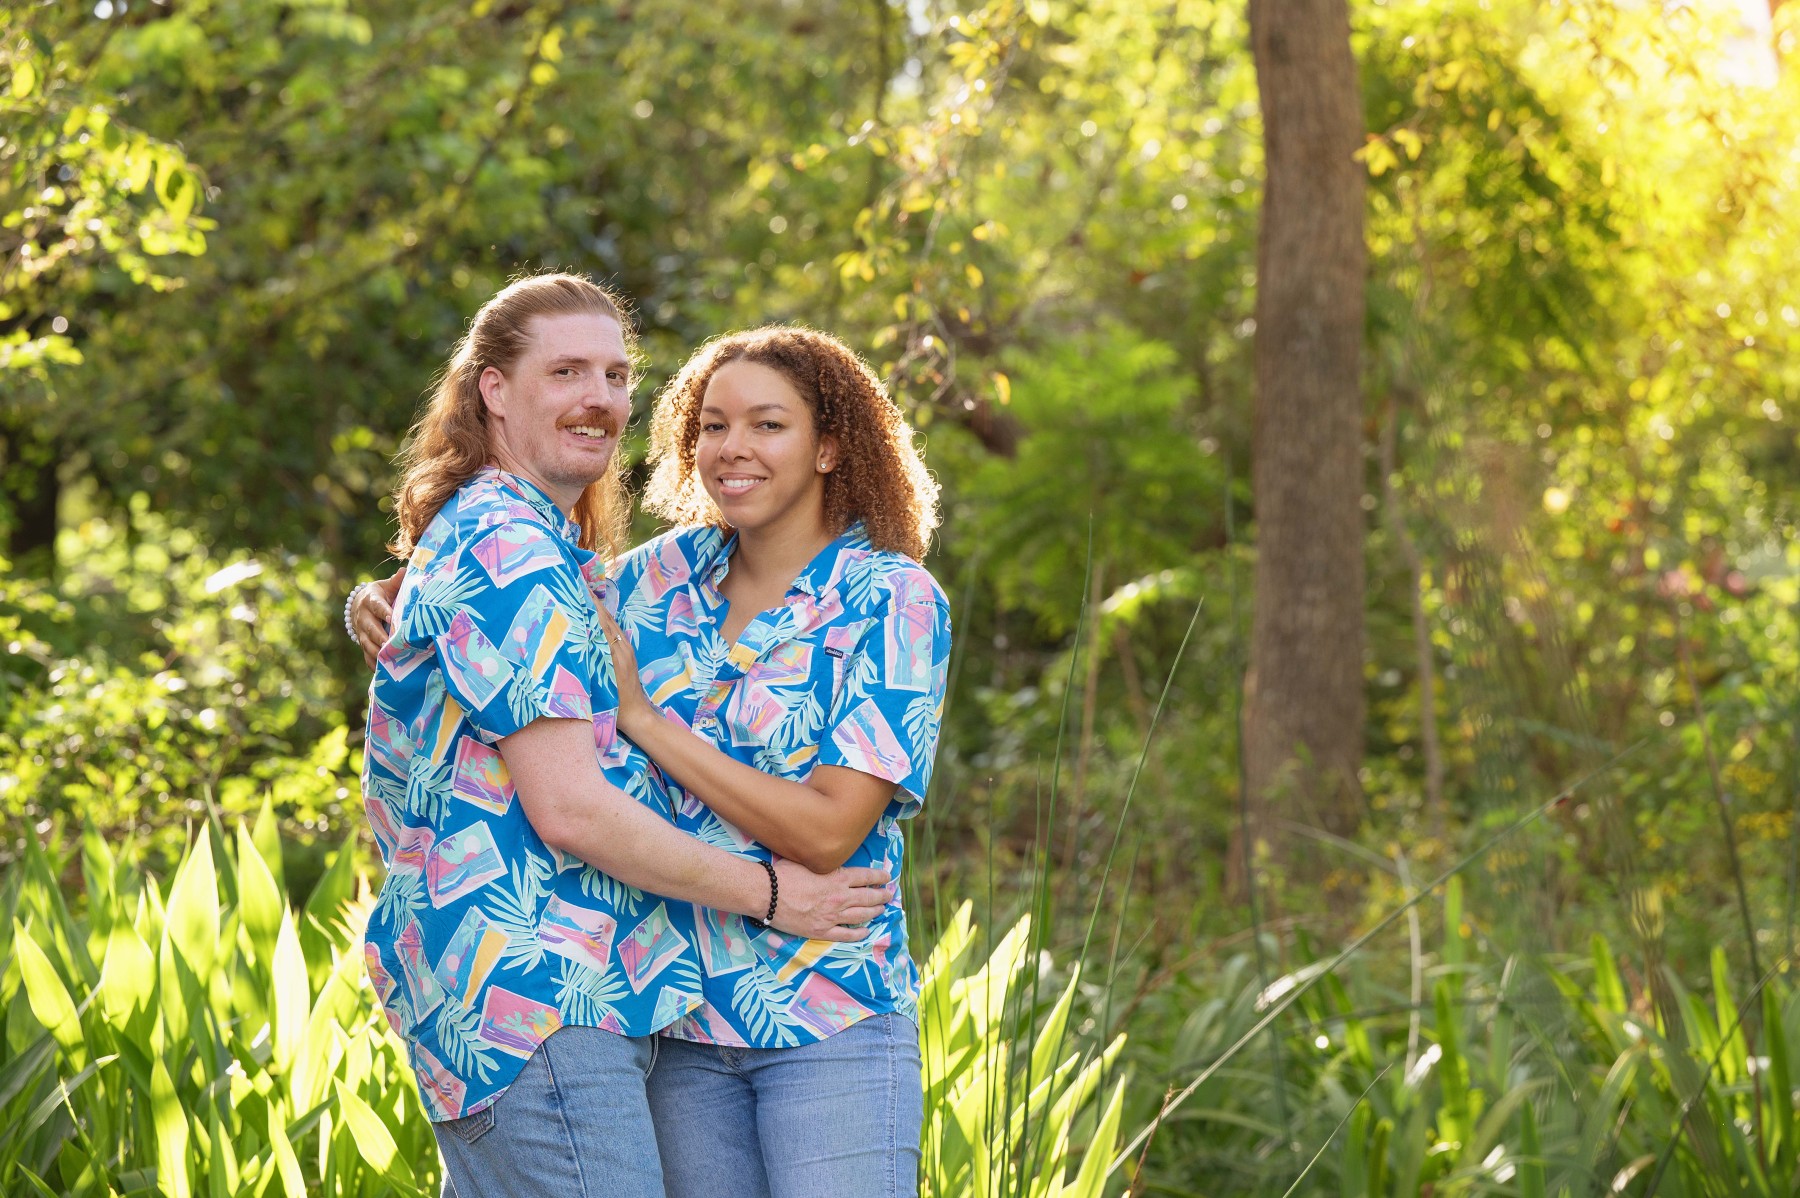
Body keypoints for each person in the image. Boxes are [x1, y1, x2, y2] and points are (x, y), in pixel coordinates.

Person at [358, 275, 892, 1198]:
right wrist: (774, 895)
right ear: (494, 390)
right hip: (535, 992)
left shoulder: (532, 545)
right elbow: (571, 810)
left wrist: (379, 599)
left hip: (539, 1000)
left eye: (614, 375)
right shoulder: (514, 546)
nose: (599, 398)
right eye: (566, 371)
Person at [600, 325, 950, 1198]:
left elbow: (829, 831)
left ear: (829, 446)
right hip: (676, 1022)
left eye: (768, 425)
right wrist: (385, 594)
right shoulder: (657, 578)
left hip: (829, 1015)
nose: (732, 448)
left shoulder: (892, 599)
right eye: (713, 426)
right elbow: (513, 589)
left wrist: (645, 720)